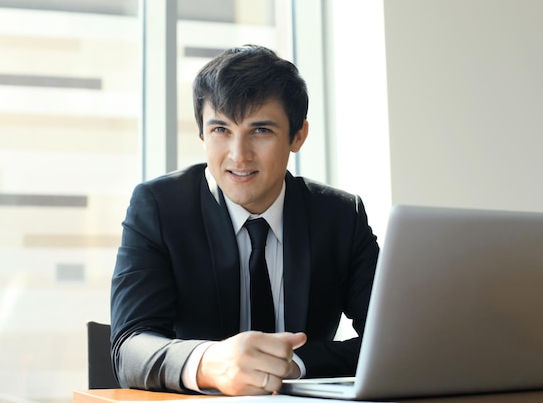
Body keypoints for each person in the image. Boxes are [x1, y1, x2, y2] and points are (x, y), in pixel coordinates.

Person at [110, 44, 380, 396]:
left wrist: (293, 364)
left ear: (297, 136)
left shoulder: (341, 216)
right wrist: (210, 361)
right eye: (221, 129)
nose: (239, 155)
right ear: (202, 133)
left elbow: (393, 341)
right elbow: (129, 347)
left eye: (260, 131)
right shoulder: (158, 208)